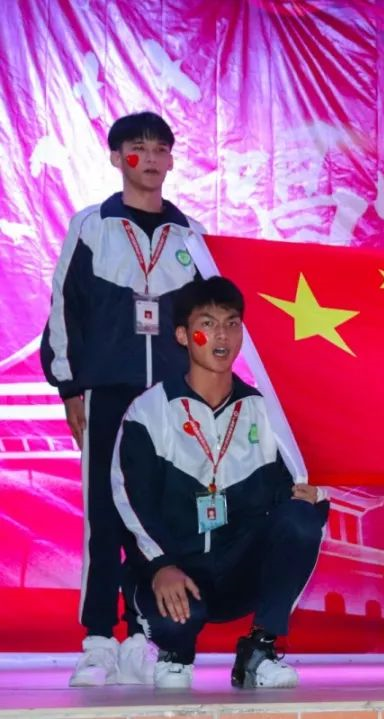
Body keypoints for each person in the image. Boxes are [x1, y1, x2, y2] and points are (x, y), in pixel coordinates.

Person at [39, 112, 205, 686]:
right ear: (116, 158)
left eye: (161, 150)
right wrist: (70, 386)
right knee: (104, 517)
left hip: (169, 401)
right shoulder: (93, 227)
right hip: (109, 392)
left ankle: (141, 635)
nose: (151, 160)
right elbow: (65, 307)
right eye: (138, 149)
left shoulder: (190, 236)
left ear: (172, 159)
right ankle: (96, 639)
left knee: (156, 516)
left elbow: (208, 318)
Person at [111, 277, 329, 689]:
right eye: (207, 324)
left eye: (231, 323)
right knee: (176, 634)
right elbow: (128, 500)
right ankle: (171, 652)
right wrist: (160, 565)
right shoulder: (149, 411)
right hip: (175, 570)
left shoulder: (264, 412)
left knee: (302, 519)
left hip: (237, 572)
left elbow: (293, 490)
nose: (222, 335)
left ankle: (259, 650)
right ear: (182, 335)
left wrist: (315, 495)